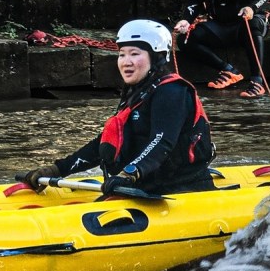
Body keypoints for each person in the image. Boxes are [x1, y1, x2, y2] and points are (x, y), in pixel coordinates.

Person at [21, 19, 215, 196]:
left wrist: (129, 173)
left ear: (157, 58)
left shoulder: (172, 92)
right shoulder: (137, 92)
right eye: (122, 54)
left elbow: (161, 141)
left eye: (135, 54)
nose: (126, 61)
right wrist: (58, 169)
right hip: (143, 186)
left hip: (182, 189)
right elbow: (106, 143)